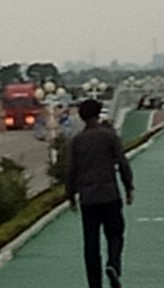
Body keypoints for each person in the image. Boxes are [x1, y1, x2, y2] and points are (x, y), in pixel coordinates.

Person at [66, 98, 134, 288]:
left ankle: (94, 284)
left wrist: (70, 195)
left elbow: (71, 170)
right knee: (115, 234)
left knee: (91, 243)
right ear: (98, 113)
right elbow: (122, 162)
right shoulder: (109, 136)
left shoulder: (77, 141)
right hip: (110, 194)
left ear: (82, 117)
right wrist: (128, 187)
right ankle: (113, 264)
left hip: (88, 199)